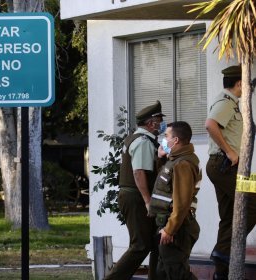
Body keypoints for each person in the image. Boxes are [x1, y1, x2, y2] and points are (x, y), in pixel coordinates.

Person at [104, 100, 166, 280]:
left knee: (155, 242)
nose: (161, 123)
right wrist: (148, 201)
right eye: (159, 119)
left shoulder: (136, 138)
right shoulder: (143, 141)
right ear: (150, 123)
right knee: (140, 245)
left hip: (133, 195)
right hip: (137, 197)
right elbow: (138, 172)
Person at [205, 65, 256, 279]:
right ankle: (223, 252)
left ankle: (221, 270)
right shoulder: (226, 102)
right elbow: (210, 124)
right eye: (245, 85)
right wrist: (230, 152)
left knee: (227, 217)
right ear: (238, 84)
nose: (247, 89)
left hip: (227, 167)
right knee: (253, 203)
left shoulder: (234, 104)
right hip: (225, 166)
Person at [149, 121, 201, 280]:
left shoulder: (183, 163)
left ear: (176, 140)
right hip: (169, 225)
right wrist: (160, 158)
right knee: (163, 272)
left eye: (166, 136)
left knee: (177, 274)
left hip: (177, 230)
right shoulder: (175, 160)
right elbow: (165, 185)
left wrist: (170, 229)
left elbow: (182, 202)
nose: (164, 140)